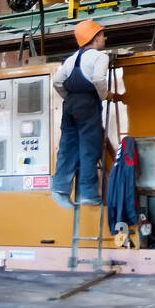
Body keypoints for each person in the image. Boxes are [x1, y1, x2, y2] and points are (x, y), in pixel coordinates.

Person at [50, 19, 118, 210]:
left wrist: (69, 98)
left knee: (67, 147)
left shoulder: (71, 59)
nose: (104, 38)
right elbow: (97, 78)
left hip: (70, 105)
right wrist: (106, 95)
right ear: (95, 38)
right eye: (102, 35)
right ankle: (88, 194)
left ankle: (59, 189)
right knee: (89, 148)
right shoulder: (99, 57)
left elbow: (57, 82)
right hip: (87, 105)